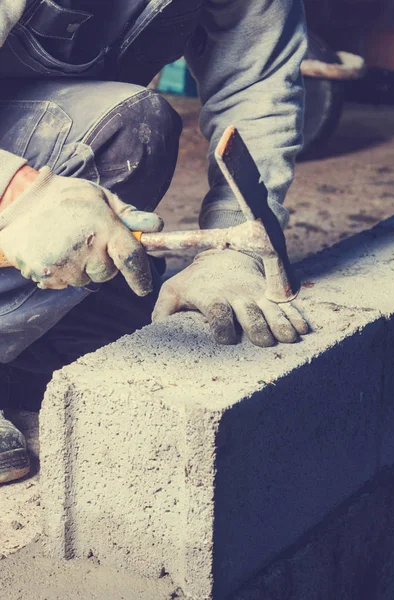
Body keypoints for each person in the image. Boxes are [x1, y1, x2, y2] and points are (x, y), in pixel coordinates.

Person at [0, 0, 308, 484]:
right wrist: (16, 194)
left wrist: (232, 246)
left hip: (51, 126)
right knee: (130, 124)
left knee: (128, 325)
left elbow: (257, 83)